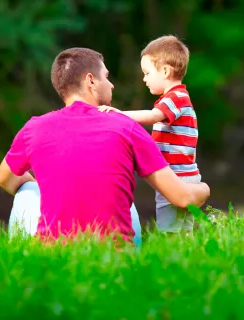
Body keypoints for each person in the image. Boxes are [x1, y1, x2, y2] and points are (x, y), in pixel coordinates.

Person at [0, 47, 210, 246]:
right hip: (116, 255)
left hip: (55, 256)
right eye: (106, 77)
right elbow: (182, 198)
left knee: (28, 190)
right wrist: (204, 188)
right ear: (91, 80)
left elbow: (4, 178)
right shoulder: (127, 128)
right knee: (128, 205)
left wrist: (45, 187)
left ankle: (40, 246)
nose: (112, 84)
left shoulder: (35, 128)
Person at [98, 35, 201, 235]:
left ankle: (169, 260)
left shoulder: (176, 98)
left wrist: (119, 114)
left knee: (168, 230)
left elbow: (154, 116)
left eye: (147, 73)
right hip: (185, 177)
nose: (144, 78)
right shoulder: (179, 98)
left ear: (165, 71)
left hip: (176, 178)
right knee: (184, 231)